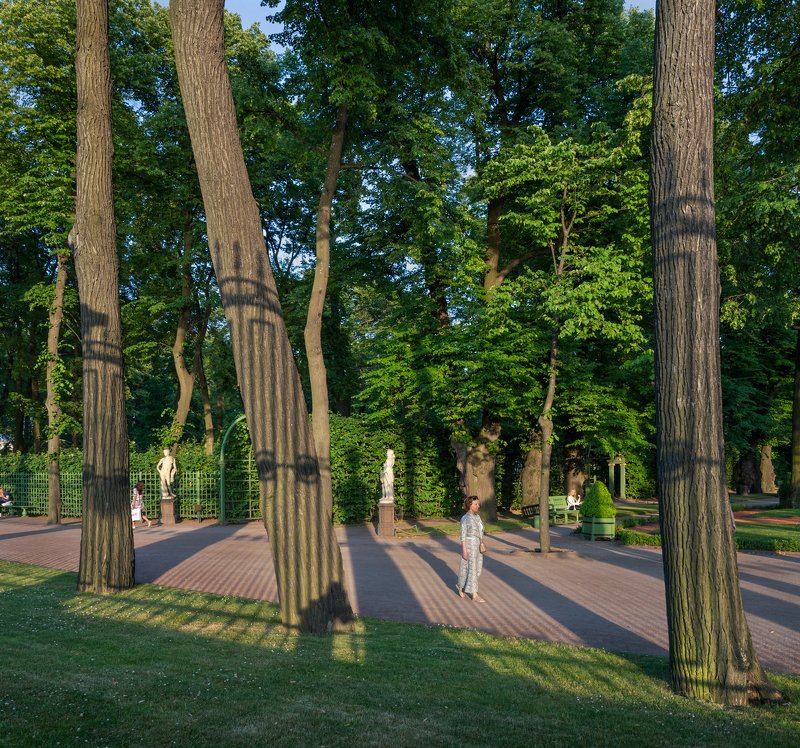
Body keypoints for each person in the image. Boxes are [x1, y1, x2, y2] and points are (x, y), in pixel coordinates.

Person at [456, 495, 485, 603]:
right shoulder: (465, 518)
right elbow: (462, 536)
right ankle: (475, 594)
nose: (478, 505)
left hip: (478, 545)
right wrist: (464, 550)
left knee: (477, 569)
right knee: (472, 569)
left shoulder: (477, 517)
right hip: (469, 545)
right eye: (476, 504)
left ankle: (461, 585)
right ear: (469, 505)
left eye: (478, 503)